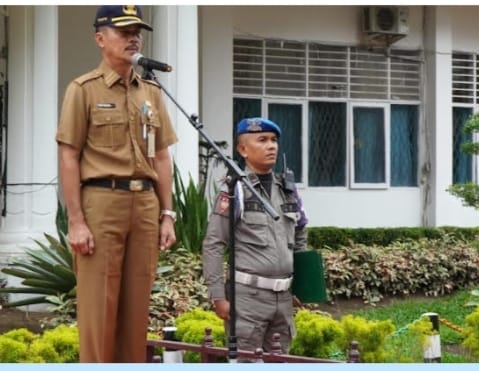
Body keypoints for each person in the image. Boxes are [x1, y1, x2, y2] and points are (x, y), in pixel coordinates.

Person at [55, 5, 178, 363]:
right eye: (124, 32)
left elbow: (162, 157)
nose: (133, 38)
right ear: (100, 39)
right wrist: (76, 221)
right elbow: (68, 157)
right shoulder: (83, 90)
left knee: (137, 310)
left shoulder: (151, 92)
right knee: (99, 309)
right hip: (102, 203)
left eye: (136, 32)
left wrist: (167, 213)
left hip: (145, 206)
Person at [202, 117, 308, 354]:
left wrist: (301, 285)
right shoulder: (234, 189)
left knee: (280, 361)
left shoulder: (287, 189)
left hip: (283, 299)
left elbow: (299, 236)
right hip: (248, 299)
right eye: (262, 140)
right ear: (243, 149)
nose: (271, 146)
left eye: (273, 140)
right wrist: (218, 296)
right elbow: (214, 244)